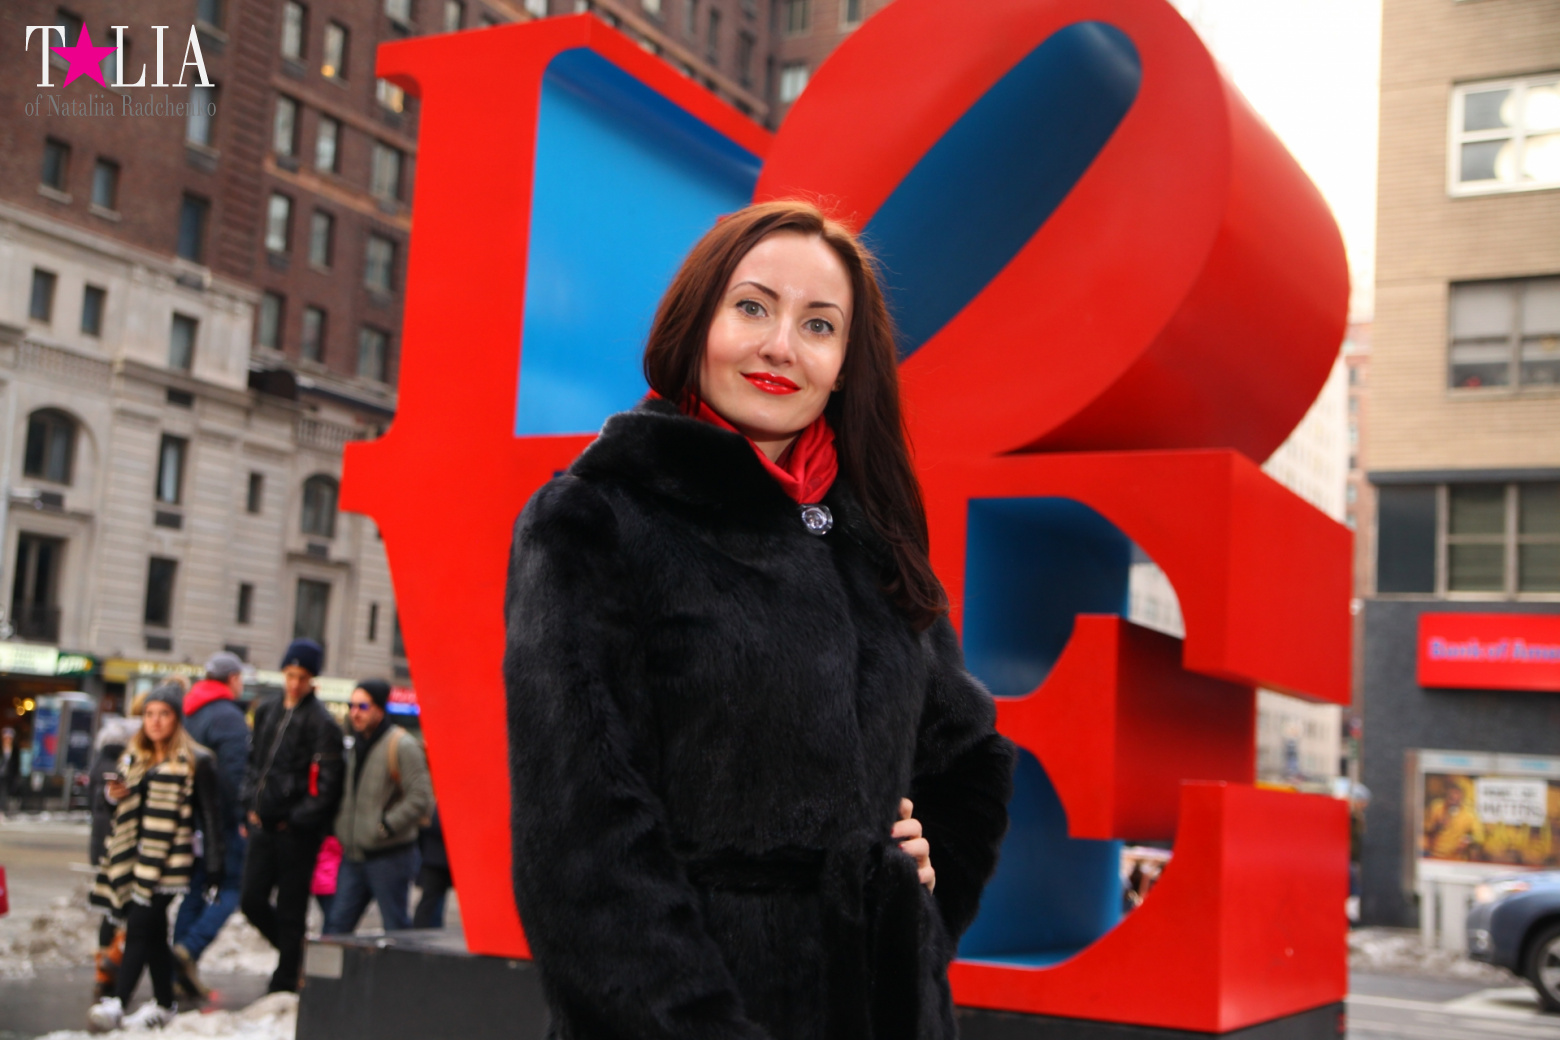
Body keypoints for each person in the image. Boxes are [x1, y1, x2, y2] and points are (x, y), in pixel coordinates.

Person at [504, 200, 1016, 1039]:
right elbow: (584, 852)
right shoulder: (599, 519)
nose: (781, 345)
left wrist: (922, 889)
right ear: (697, 321)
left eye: (819, 325)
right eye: (752, 307)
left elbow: (967, 755)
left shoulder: (872, 536)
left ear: (846, 364)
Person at [86, 684, 224, 1032]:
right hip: (134, 858)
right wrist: (114, 795)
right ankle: (164, 1004)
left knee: (139, 925)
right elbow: (111, 807)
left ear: (177, 719)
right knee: (154, 933)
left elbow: (210, 816)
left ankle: (118, 1001)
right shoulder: (134, 758)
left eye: (164, 714)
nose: (155, 721)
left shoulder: (196, 761)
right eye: (149, 714)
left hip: (170, 862)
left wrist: (213, 865)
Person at [239, 639, 344, 994]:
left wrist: (297, 819)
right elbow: (254, 763)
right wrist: (249, 804)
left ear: (312, 679)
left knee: (291, 909)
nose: (295, 683)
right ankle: (293, 954)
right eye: (290, 674)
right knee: (251, 900)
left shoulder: (321, 722)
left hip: (294, 832)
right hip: (262, 824)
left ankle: (285, 978)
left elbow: (328, 786)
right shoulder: (268, 711)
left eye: (302, 676)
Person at [170, 652, 253, 999]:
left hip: (191, 819)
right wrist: (242, 814)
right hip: (222, 820)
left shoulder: (189, 711)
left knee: (195, 888)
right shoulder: (230, 717)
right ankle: (189, 948)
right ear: (232, 679)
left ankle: (179, 973)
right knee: (232, 888)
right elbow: (235, 774)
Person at [326, 680, 433, 935]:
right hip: (353, 855)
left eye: (363, 706)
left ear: (379, 709)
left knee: (395, 931)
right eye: (351, 706)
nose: (355, 712)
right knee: (335, 929)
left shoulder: (401, 745)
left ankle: (400, 976)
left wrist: (386, 826)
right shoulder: (352, 746)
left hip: (390, 856)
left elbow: (420, 797)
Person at [86, 710, 141, 1001]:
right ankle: (111, 964)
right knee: (127, 911)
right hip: (118, 846)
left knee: (114, 909)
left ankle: (104, 971)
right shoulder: (122, 762)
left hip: (105, 845)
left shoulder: (102, 759)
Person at [411, 807, 452, 929]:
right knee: (431, 901)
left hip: (440, 856)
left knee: (433, 900)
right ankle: (422, 934)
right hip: (434, 858)